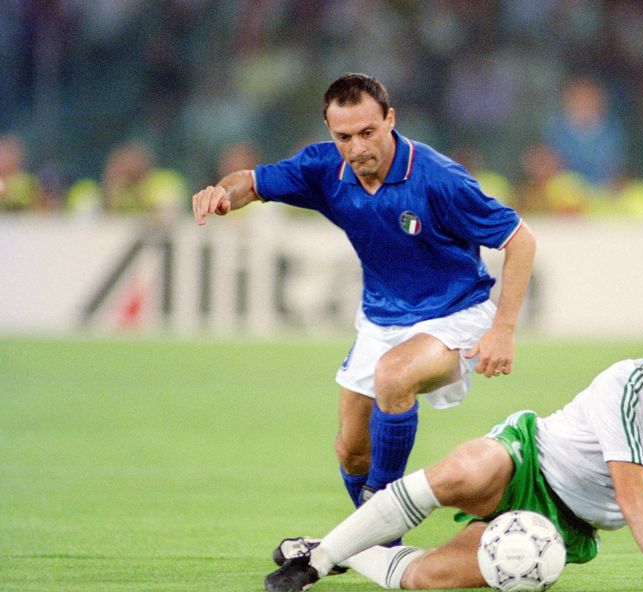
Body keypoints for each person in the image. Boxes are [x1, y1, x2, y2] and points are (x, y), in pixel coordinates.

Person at [192, 73, 536, 514]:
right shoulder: (324, 169)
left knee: (393, 376)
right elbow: (252, 182)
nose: (357, 148)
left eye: (368, 132)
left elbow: (519, 238)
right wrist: (223, 193)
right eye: (344, 136)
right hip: (381, 318)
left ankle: (383, 517)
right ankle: (382, 546)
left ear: (390, 120)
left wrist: (503, 330)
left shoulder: (437, 178)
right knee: (351, 450)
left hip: (455, 314)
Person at [265, 303, 643, 592]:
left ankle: (339, 552)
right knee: (461, 473)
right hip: (528, 457)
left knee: (427, 577)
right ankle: (321, 559)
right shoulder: (624, 383)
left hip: (565, 525)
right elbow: (631, 489)